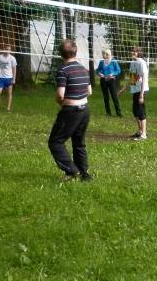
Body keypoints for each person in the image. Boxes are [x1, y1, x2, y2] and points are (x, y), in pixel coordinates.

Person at [48, 39, 93, 182]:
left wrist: (62, 103)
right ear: (75, 52)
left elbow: (60, 95)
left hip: (71, 111)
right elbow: (89, 91)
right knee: (79, 142)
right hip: (85, 110)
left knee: (55, 142)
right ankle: (85, 175)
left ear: (61, 54)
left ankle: (72, 171)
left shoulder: (63, 70)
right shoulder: (83, 69)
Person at [120, 45, 149, 141]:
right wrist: (124, 88)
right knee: (135, 111)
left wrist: (141, 94)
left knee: (141, 112)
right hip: (135, 90)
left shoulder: (142, 63)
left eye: (134, 51)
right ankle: (140, 131)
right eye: (132, 51)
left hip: (141, 90)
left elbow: (144, 79)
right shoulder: (133, 63)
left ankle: (144, 134)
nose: (132, 52)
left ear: (139, 53)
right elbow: (132, 78)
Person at [0, 45, 17, 113]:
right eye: (6, 49)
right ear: (4, 49)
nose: (7, 51)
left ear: (10, 51)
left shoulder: (12, 58)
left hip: (9, 78)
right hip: (1, 78)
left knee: (9, 93)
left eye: (9, 50)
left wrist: (14, 79)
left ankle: (8, 109)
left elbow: (14, 69)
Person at [97, 49, 122, 117]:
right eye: (104, 54)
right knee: (106, 97)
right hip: (103, 80)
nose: (105, 55)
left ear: (109, 55)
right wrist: (100, 74)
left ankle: (119, 113)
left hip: (111, 80)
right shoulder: (102, 62)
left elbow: (118, 70)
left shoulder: (113, 61)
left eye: (106, 54)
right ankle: (108, 113)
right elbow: (98, 70)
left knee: (114, 96)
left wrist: (112, 74)